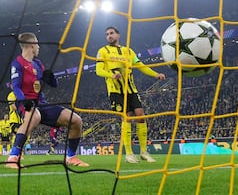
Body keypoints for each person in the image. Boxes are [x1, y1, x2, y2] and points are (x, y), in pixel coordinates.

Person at [5, 32, 89, 169]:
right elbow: (15, 86)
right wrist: (23, 100)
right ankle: (13, 158)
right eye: (37, 44)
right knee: (34, 116)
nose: (39, 47)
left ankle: (71, 157)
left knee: (76, 120)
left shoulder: (38, 63)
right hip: (25, 103)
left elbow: (54, 84)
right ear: (31, 45)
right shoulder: (18, 63)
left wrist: (50, 77)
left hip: (42, 103)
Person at [96, 26, 165, 163]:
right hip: (116, 91)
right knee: (127, 118)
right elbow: (98, 70)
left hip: (131, 90)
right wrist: (111, 74)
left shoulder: (128, 51)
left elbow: (141, 66)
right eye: (107, 34)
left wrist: (156, 74)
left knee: (141, 115)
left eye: (111, 33)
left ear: (118, 35)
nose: (109, 36)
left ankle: (144, 152)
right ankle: (129, 153)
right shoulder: (103, 51)